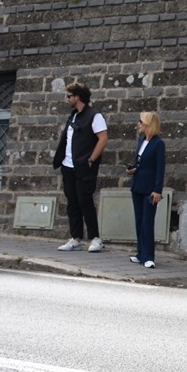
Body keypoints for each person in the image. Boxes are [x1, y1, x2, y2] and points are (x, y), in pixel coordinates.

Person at [52, 83, 108, 252]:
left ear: (77, 97)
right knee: (72, 203)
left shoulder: (94, 116)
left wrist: (91, 159)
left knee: (85, 201)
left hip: (84, 166)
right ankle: (75, 238)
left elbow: (103, 138)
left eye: (69, 96)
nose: (67, 99)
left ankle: (96, 238)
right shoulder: (73, 116)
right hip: (68, 166)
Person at [126, 111, 166, 269]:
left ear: (149, 125)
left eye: (141, 122)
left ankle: (149, 255)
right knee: (139, 221)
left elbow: (160, 168)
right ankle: (140, 252)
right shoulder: (141, 140)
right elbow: (139, 162)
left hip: (150, 189)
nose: (139, 124)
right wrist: (132, 169)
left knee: (147, 222)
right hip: (138, 185)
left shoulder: (158, 144)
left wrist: (157, 190)